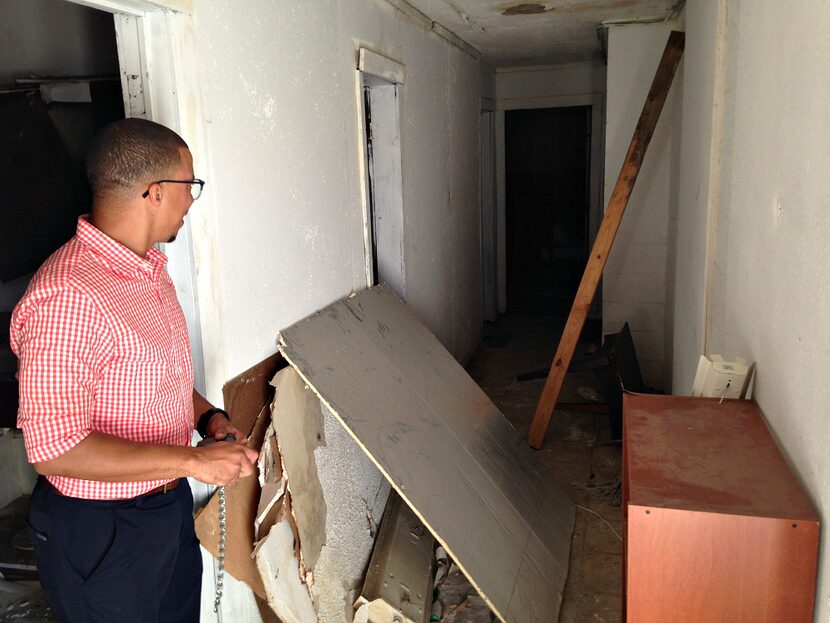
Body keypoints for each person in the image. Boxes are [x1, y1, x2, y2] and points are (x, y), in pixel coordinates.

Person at [10, 118, 259, 622]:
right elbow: (55, 450)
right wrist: (192, 463)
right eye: (189, 185)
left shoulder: (146, 271)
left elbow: (156, 374)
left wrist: (207, 418)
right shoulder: (68, 296)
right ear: (154, 192)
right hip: (102, 530)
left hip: (162, 511)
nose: (192, 200)